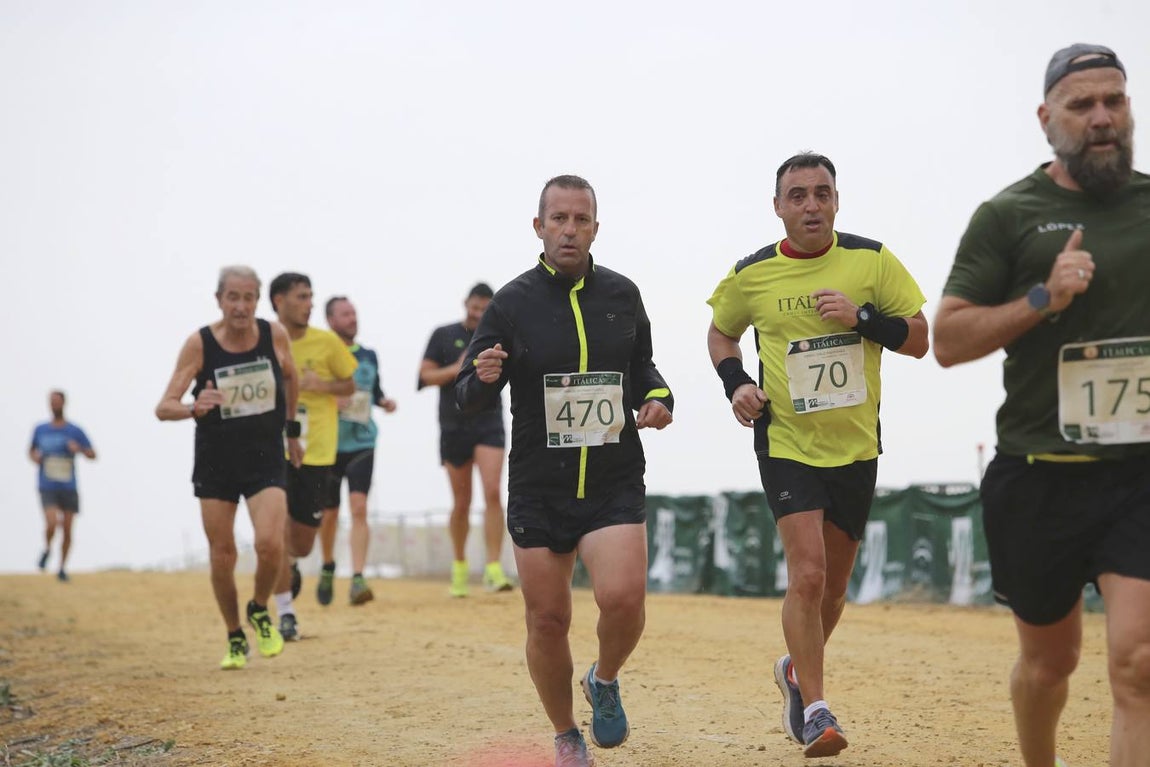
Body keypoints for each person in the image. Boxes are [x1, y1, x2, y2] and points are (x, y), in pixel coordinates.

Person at [934, 44, 1150, 767]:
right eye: (1082, 105)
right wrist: (1042, 298)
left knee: (1139, 663)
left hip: (1139, 473)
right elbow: (948, 338)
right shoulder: (1009, 215)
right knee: (1048, 666)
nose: (1101, 118)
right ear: (1046, 117)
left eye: (1113, 101)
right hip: (1039, 473)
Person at [706, 152, 928, 757]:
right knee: (806, 575)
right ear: (778, 206)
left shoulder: (871, 260)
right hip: (786, 442)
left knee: (832, 591)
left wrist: (862, 318)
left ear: (837, 200)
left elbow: (920, 339)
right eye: (797, 195)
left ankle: (794, 669)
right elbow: (721, 332)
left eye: (821, 194)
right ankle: (818, 709)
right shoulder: (752, 274)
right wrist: (737, 385)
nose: (811, 205)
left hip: (855, 447)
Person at [456, 174, 674, 767]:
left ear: (595, 228)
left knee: (624, 599)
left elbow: (644, 368)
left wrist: (659, 397)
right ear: (539, 227)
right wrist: (482, 377)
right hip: (539, 486)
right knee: (548, 619)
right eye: (559, 219)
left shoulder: (623, 295)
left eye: (581, 219)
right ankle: (565, 732)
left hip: (612, 478)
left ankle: (603, 678)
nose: (570, 229)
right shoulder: (511, 303)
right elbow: (464, 395)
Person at [155, 266, 300, 669]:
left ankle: (259, 607)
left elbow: (291, 377)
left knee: (271, 544)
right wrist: (192, 408)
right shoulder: (200, 344)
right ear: (219, 299)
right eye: (233, 297)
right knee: (223, 554)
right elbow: (163, 407)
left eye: (248, 297)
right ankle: (235, 634)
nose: (241, 306)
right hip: (216, 460)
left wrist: (292, 431)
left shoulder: (274, 335)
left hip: (265, 455)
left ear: (258, 300)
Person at [269, 272, 358, 639]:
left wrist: (322, 385)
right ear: (278, 301)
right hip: (272, 450)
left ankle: (288, 562)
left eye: (310, 296)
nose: (308, 304)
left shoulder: (327, 343)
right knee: (271, 533)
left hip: (317, 451)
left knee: (302, 543)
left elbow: (350, 386)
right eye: (301, 297)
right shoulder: (265, 340)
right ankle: (285, 611)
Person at [419, 283, 514, 597]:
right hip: (453, 425)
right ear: (466, 304)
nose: (478, 314)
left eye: (485, 309)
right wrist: (458, 366)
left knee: (492, 492)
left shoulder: (500, 336)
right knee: (461, 502)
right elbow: (425, 376)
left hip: (489, 423)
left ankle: (492, 568)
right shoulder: (443, 335)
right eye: (475, 307)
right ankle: (459, 567)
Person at [316, 296, 397, 606]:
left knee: (359, 508)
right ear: (331, 321)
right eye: (345, 314)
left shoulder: (368, 355)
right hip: (328, 445)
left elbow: (374, 392)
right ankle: (327, 565)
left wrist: (384, 402)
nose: (352, 318)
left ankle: (358, 577)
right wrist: (329, 401)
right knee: (329, 513)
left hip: (362, 442)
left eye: (354, 313)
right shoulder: (322, 355)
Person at [29, 390, 96, 582]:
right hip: (47, 484)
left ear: (64, 403)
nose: (54, 405)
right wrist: (36, 458)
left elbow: (92, 454)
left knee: (67, 528)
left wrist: (80, 449)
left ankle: (62, 568)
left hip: (68, 486)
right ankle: (48, 549)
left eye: (57, 401)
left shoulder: (74, 430)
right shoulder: (40, 429)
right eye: (51, 402)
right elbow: (31, 451)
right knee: (51, 523)